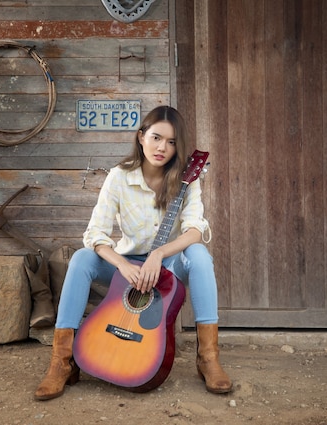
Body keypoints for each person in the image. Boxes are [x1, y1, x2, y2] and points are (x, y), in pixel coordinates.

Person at [34, 105, 232, 401]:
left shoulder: (187, 180)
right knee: (81, 259)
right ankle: (62, 362)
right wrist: (122, 264)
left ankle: (208, 359)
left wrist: (159, 254)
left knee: (200, 256)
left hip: (168, 263)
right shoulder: (118, 177)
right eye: (156, 137)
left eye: (172, 141)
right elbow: (95, 234)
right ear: (141, 137)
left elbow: (194, 230)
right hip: (126, 264)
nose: (162, 147)